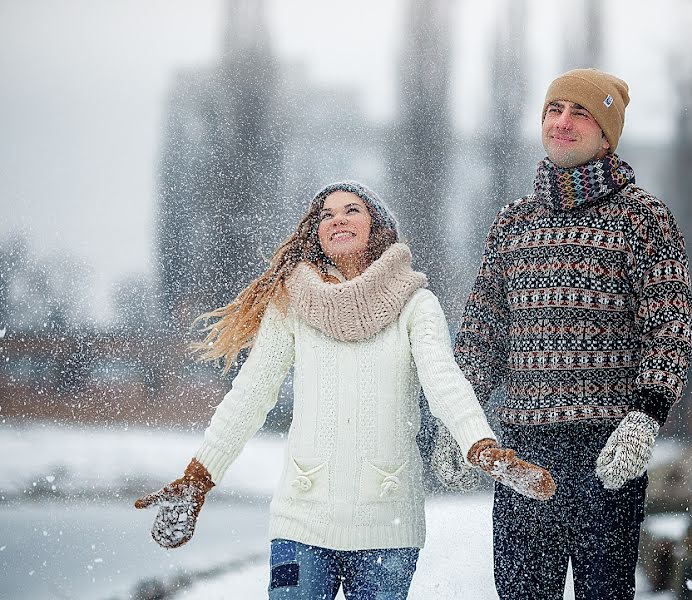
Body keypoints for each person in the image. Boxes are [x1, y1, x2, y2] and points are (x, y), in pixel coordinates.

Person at [135, 181, 555, 600]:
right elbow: (251, 395)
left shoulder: (416, 303)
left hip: (387, 525)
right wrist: (199, 476)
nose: (337, 218)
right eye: (326, 214)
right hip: (301, 520)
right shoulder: (292, 303)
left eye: (351, 209)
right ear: (315, 234)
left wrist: (481, 445)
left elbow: (445, 381)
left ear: (378, 225)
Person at [443, 69, 692, 599]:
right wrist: (457, 424)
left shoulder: (643, 220)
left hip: (606, 454)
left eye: (579, 112)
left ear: (606, 134)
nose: (562, 122)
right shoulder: (514, 221)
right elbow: (482, 334)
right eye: (553, 109)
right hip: (523, 453)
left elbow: (669, 330)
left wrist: (644, 421)